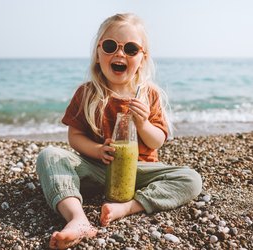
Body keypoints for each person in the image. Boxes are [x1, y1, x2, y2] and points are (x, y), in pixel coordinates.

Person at [36, 13, 202, 249]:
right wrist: (96, 150)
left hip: (139, 174)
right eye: (111, 46)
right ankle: (77, 218)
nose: (120, 54)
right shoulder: (87, 94)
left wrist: (143, 123)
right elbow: (74, 137)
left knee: (191, 179)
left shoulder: (149, 95)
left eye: (131, 49)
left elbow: (156, 142)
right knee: (49, 155)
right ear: (98, 53)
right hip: (98, 171)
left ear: (142, 59)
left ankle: (127, 207)